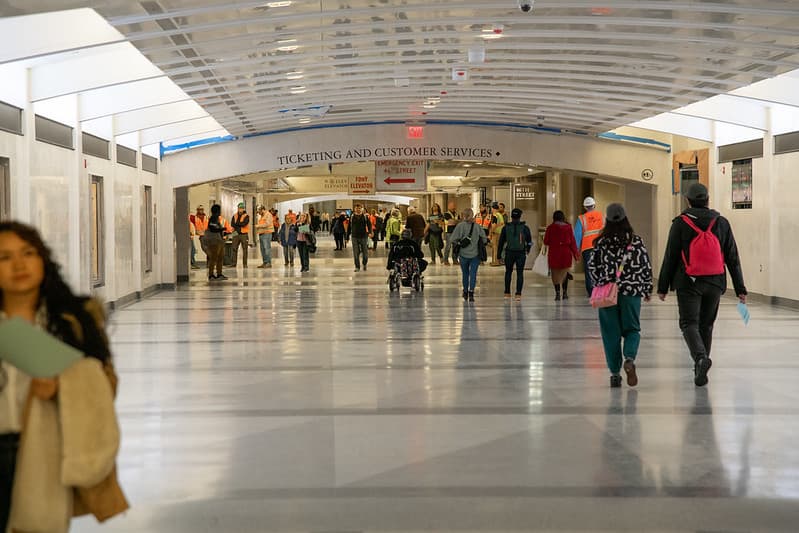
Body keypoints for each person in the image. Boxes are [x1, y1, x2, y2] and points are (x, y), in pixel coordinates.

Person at [0, 222, 128, 532]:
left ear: (43, 259)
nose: (19, 264)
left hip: (45, 447)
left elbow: (106, 383)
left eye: (28, 253)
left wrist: (64, 387)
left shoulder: (72, 319)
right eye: (4, 257)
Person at [657, 183, 747, 387]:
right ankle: (700, 366)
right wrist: (740, 288)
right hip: (715, 280)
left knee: (689, 323)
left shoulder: (680, 223)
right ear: (707, 200)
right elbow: (732, 257)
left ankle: (700, 359)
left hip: (688, 281)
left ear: (688, 200)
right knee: (706, 325)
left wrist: (662, 286)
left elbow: (670, 256)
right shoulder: (721, 222)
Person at [589, 204, 653, 388]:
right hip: (631, 293)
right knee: (632, 329)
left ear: (607, 220)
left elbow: (592, 268)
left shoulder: (601, 243)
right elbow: (645, 266)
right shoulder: (636, 242)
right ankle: (630, 358)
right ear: (626, 219)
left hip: (608, 294)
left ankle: (615, 374)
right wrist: (647, 288)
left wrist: (599, 283)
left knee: (611, 334)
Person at [449, 208, 488, 302]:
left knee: (465, 274)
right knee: (473, 273)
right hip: (475, 255)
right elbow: (484, 239)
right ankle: (471, 292)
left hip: (463, 255)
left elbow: (452, 239)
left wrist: (459, 243)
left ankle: (465, 291)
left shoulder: (460, 226)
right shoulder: (477, 226)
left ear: (463, 216)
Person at [497, 208, 533, 301]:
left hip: (509, 253)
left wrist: (498, 255)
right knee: (520, 273)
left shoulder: (506, 227)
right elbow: (529, 241)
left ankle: (507, 292)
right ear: (520, 216)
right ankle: (518, 294)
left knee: (508, 272)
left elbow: (501, 242)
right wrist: (528, 249)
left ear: (511, 216)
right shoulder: (525, 228)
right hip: (521, 253)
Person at [544, 210, 580, 301]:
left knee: (555, 274)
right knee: (564, 273)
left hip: (554, 253)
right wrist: (576, 255)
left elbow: (546, 241)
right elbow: (572, 242)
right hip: (565, 253)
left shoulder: (550, 228)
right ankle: (564, 293)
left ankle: (557, 293)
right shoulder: (568, 227)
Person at [575, 196, 604, 297]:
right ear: (594, 205)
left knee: (589, 270)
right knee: (600, 268)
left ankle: (591, 292)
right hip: (600, 247)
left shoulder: (581, 218)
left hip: (587, 248)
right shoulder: (601, 216)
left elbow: (577, 236)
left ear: (585, 207)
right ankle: (600, 290)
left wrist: (576, 251)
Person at [204, 204, 229, 280]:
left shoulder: (217, 218)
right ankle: (211, 275)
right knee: (214, 258)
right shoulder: (212, 218)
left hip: (219, 241)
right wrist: (222, 229)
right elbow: (213, 229)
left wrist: (225, 232)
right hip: (214, 241)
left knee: (220, 258)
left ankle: (219, 274)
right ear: (217, 211)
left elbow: (217, 229)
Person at [349, 204, 373, 272]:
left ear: (361, 209)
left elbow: (369, 225)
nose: (358, 209)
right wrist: (346, 237)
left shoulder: (365, 216)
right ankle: (357, 267)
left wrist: (370, 232)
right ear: (354, 209)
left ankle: (364, 263)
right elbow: (349, 227)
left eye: (359, 208)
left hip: (363, 236)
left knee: (365, 253)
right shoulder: (352, 216)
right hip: (354, 236)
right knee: (356, 253)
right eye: (357, 208)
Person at [230, 202, 251, 268]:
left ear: (243, 209)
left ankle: (245, 264)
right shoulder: (234, 216)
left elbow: (244, 224)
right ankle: (233, 263)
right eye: (239, 208)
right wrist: (239, 224)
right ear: (238, 208)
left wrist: (237, 224)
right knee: (234, 249)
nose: (240, 209)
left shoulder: (246, 216)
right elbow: (232, 224)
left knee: (245, 249)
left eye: (242, 208)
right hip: (235, 234)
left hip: (244, 234)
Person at [255, 205, 274, 269]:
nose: (259, 213)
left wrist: (258, 226)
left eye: (259, 212)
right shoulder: (262, 216)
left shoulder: (268, 215)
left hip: (267, 234)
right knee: (262, 249)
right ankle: (265, 262)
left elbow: (267, 224)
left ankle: (268, 263)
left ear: (262, 209)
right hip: (261, 234)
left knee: (267, 249)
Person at [189, 205, 207, 270]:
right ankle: (192, 263)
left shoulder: (206, 218)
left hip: (205, 236)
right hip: (195, 235)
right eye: (199, 209)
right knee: (193, 250)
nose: (200, 211)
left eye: (202, 209)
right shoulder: (193, 218)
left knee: (206, 249)